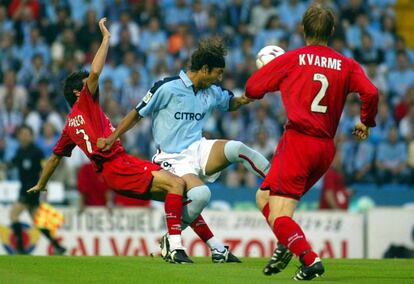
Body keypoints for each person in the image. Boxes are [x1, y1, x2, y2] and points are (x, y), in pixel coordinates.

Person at [27, 18, 192, 264]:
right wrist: (106, 39)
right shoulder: (86, 102)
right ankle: (175, 248)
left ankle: (198, 244)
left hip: (112, 173)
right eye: (87, 86)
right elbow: (94, 72)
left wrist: (41, 184)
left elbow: (53, 159)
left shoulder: (69, 128)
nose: (93, 86)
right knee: (178, 186)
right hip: (118, 164)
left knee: (180, 196)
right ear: (78, 93)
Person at [98, 37, 271, 263]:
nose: (220, 78)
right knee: (200, 195)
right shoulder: (167, 87)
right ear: (205, 68)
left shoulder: (212, 92)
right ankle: (177, 239)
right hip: (171, 157)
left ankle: (276, 181)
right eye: (217, 73)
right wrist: (113, 137)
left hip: (198, 148)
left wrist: (246, 99)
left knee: (238, 148)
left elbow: (231, 103)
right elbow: (136, 113)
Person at [245, 5, 378, 280]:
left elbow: (252, 88)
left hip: (298, 143)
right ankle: (288, 242)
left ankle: (309, 259)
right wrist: (365, 122)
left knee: (280, 217)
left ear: (302, 29)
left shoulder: (293, 59)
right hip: (325, 148)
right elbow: (371, 92)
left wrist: (279, 79)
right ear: (331, 31)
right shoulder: (347, 64)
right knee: (263, 197)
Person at [9, 125, 66, 255]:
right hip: (24, 189)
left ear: (31, 136)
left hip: (31, 190)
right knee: (37, 221)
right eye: (22, 134)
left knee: (13, 214)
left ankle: (21, 247)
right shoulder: (19, 151)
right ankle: (57, 246)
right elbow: (13, 163)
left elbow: (43, 171)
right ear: (18, 136)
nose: (24, 136)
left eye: (26, 134)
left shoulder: (36, 152)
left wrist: (43, 186)